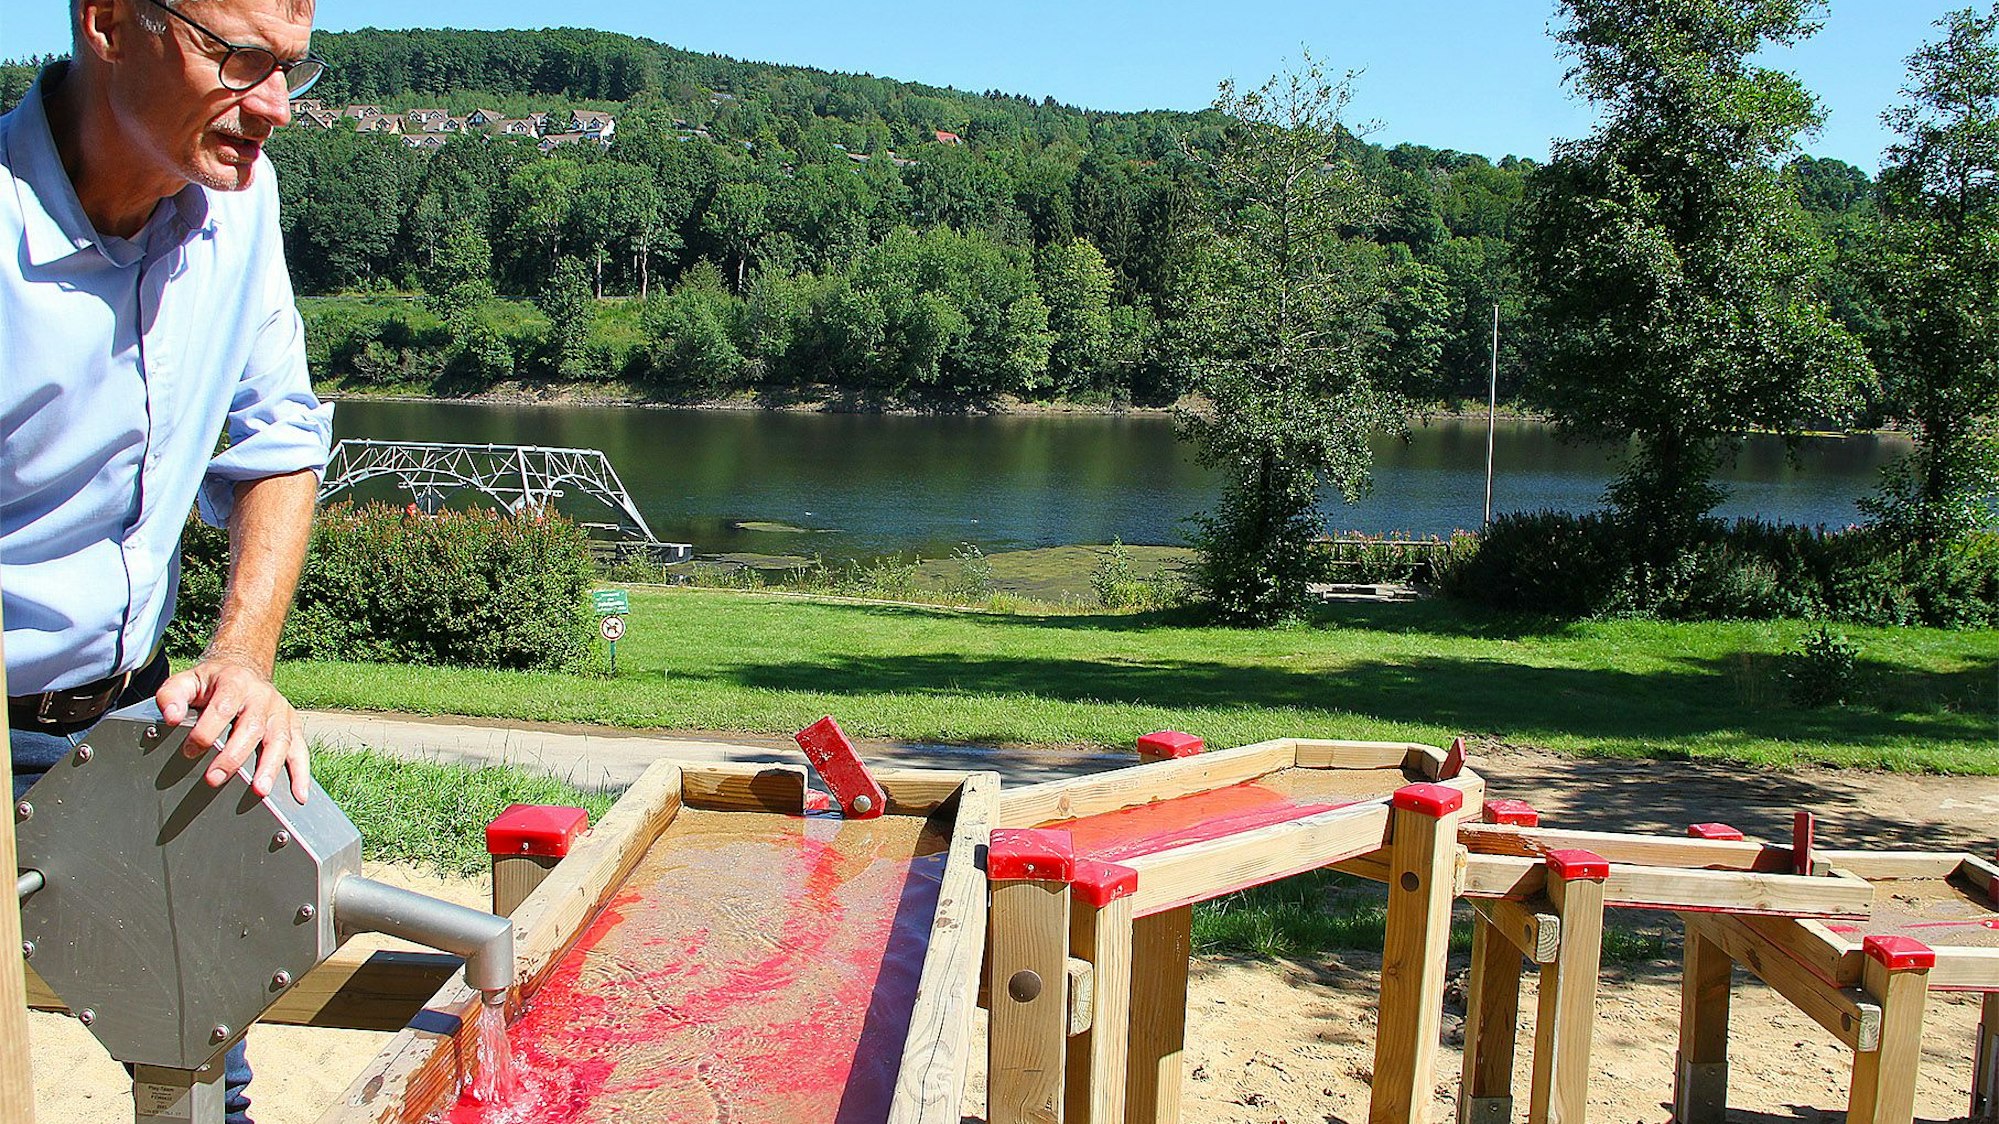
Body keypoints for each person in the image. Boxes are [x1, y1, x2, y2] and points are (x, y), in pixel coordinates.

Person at [1, 1, 332, 1119]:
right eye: (238, 59)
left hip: (136, 714)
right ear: (107, 22)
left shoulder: (242, 201)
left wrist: (241, 658)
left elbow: (280, 439)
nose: (274, 107)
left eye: (290, 68)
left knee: (202, 1057)